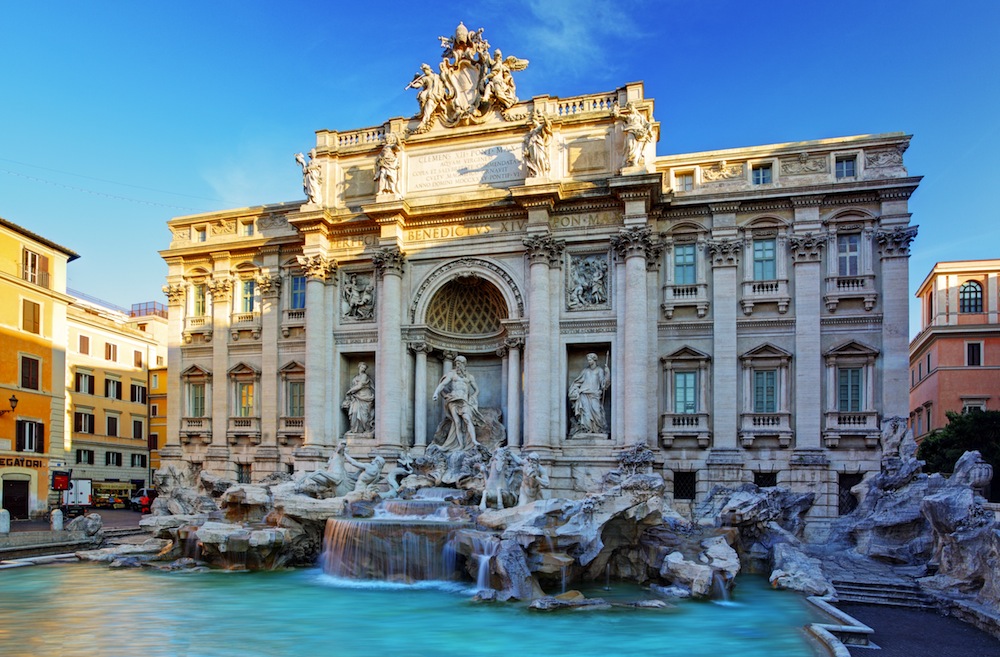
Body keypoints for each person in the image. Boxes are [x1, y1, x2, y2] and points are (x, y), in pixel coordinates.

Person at [432, 355, 480, 450]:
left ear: (463, 365)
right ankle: (460, 444)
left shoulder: (470, 377)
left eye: (459, 364)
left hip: (464, 401)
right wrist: (436, 393)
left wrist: (473, 397)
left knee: (467, 419)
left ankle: (474, 441)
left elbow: (477, 390)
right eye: (456, 364)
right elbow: (442, 384)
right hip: (453, 400)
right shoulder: (452, 374)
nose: (457, 366)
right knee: (457, 422)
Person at [568, 353, 610, 435]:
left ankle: (597, 429)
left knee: (597, 412)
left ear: (594, 360)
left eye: (590, 360)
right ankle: (586, 430)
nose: (588, 361)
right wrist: (575, 390)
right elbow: (577, 382)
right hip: (584, 394)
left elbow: (604, 384)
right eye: (588, 360)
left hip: (595, 395)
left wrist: (607, 373)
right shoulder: (585, 371)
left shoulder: (600, 370)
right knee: (586, 413)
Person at [405, 63, 445, 132]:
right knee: (422, 97)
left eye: (425, 70)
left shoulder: (436, 76)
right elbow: (419, 84)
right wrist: (413, 85)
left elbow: (443, 83)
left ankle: (425, 119)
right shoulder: (424, 78)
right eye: (424, 71)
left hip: (434, 93)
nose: (425, 72)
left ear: (429, 69)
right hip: (427, 91)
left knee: (430, 102)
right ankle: (423, 112)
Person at [342, 362, 375, 434]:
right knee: (354, 412)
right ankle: (354, 429)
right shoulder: (355, 377)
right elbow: (353, 386)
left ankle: (366, 429)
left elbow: (359, 386)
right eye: (362, 367)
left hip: (365, 396)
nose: (363, 369)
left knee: (364, 414)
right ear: (359, 367)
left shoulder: (364, 376)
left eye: (365, 368)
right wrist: (351, 394)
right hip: (356, 397)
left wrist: (350, 391)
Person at [523, 111, 552, 178]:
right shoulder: (532, 131)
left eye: (534, 121)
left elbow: (547, 124)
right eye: (532, 122)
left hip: (539, 145)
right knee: (533, 160)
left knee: (540, 158)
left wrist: (543, 116)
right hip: (532, 146)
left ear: (537, 121)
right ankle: (536, 172)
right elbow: (527, 139)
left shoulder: (540, 127)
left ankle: (542, 172)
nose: (533, 123)